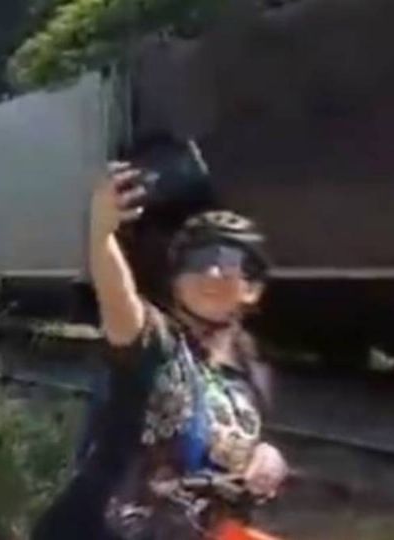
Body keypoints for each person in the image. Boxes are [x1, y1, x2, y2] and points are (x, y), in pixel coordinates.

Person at [32, 159, 288, 539]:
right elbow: (119, 303)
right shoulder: (155, 344)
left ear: (252, 288)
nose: (211, 274)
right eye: (198, 262)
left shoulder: (250, 374)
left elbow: (240, 450)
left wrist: (269, 458)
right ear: (176, 282)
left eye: (227, 262)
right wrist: (102, 236)